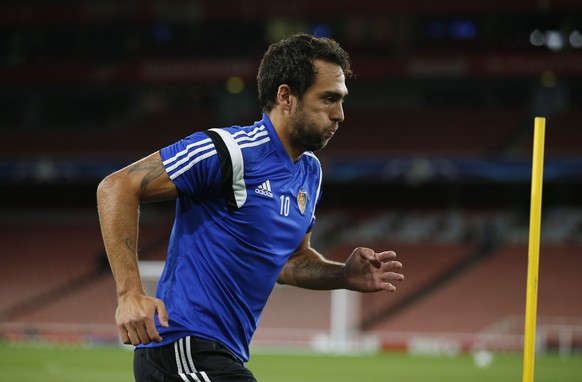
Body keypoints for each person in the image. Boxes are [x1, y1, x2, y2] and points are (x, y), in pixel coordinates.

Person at [97, 32, 404, 382]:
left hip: (221, 354)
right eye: (329, 99)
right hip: (181, 345)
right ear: (286, 96)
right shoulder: (230, 151)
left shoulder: (309, 172)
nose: (340, 114)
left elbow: (288, 260)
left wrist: (343, 276)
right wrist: (130, 294)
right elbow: (117, 186)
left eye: (342, 100)